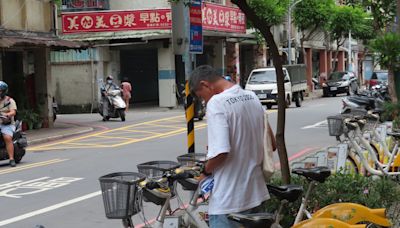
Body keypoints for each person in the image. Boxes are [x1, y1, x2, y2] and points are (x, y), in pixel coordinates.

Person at [189, 65, 276, 228]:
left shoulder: (217, 103)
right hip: (255, 194)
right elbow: (271, 143)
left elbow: (221, 152)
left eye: (202, 97)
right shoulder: (252, 97)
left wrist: (205, 172)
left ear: (205, 84)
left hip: (229, 200)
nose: (204, 101)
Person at [0, 81, 17, 167]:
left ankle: (11, 158)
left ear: (3, 91)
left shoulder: (9, 101)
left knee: (7, 137)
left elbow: (13, 112)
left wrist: (7, 114)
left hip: (6, 123)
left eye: (0, 91)